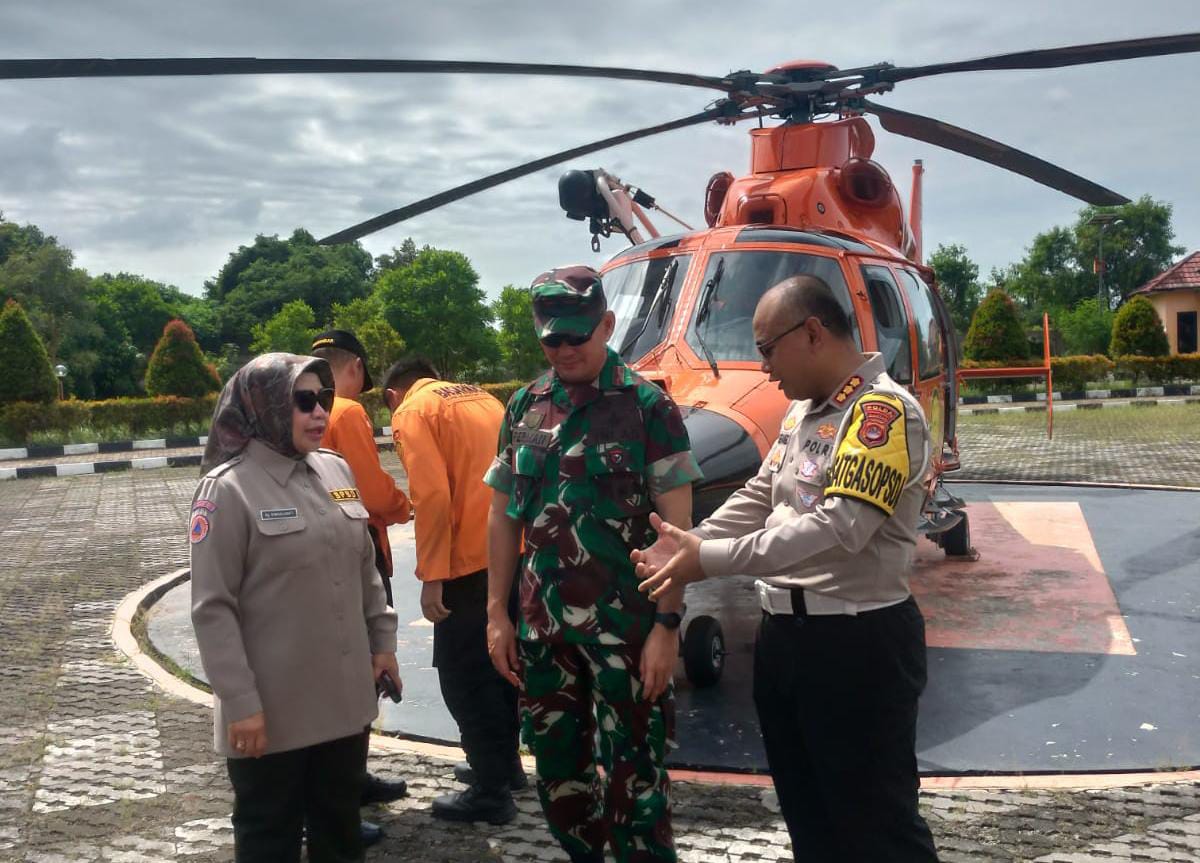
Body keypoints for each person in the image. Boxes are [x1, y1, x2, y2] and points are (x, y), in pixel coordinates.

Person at [633, 275, 941, 862]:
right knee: (808, 812)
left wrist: (708, 562)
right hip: (787, 642)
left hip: (858, 644)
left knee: (877, 822)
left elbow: (840, 530)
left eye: (768, 348)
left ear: (813, 333)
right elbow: (759, 495)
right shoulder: (805, 413)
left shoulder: (881, 413)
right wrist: (688, 543)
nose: (765, 367)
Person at [483, 266, 702, 863]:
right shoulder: (525, 407)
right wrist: (496, 616)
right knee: (559, 784)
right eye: (551, 338)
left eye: (577, 335)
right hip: (542, 632)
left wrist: (667, 627)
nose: (564, 349)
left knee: (637, 787)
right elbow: (503, 516)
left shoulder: (648, 407)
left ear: (606, 324)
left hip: (626, 635)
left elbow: (677, 537)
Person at [190, 353, 400, 863]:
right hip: (271, 715)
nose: (319, 413)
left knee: (340, 832)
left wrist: (384, 644)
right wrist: (240, 704)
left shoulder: (335, 469)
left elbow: (364, 568)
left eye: (323, 400)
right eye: (301, 401)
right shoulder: (227, 490)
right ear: (263, 407)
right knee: (270, 837)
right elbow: (212, 608)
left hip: (345, 704)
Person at [381, 357, 523, 825]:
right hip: (514, 549)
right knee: (505, 666)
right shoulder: (484, 397)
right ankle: (507, 767)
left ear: (391, 396)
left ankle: (490, 790)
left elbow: (432, 496)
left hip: (466, 563)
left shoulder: (413, 411)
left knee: (465, 678)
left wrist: (432, 575)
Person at [310, 330, 411, 833]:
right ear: (353, 368)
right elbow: (369, 492)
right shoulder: (347, 411)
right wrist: (404, 504)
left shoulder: (298, 412)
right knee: (363, 670)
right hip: (358, 550)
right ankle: (339, 797)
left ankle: (352, 781)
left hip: (318, 557)